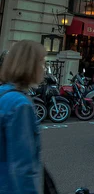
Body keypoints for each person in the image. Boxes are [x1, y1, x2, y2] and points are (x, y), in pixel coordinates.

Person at [0, 40, 47, 194]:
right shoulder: (20, 104)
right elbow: (22, 166)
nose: (44, 69)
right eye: (41, 63)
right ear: (30, 66)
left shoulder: (3, 94)